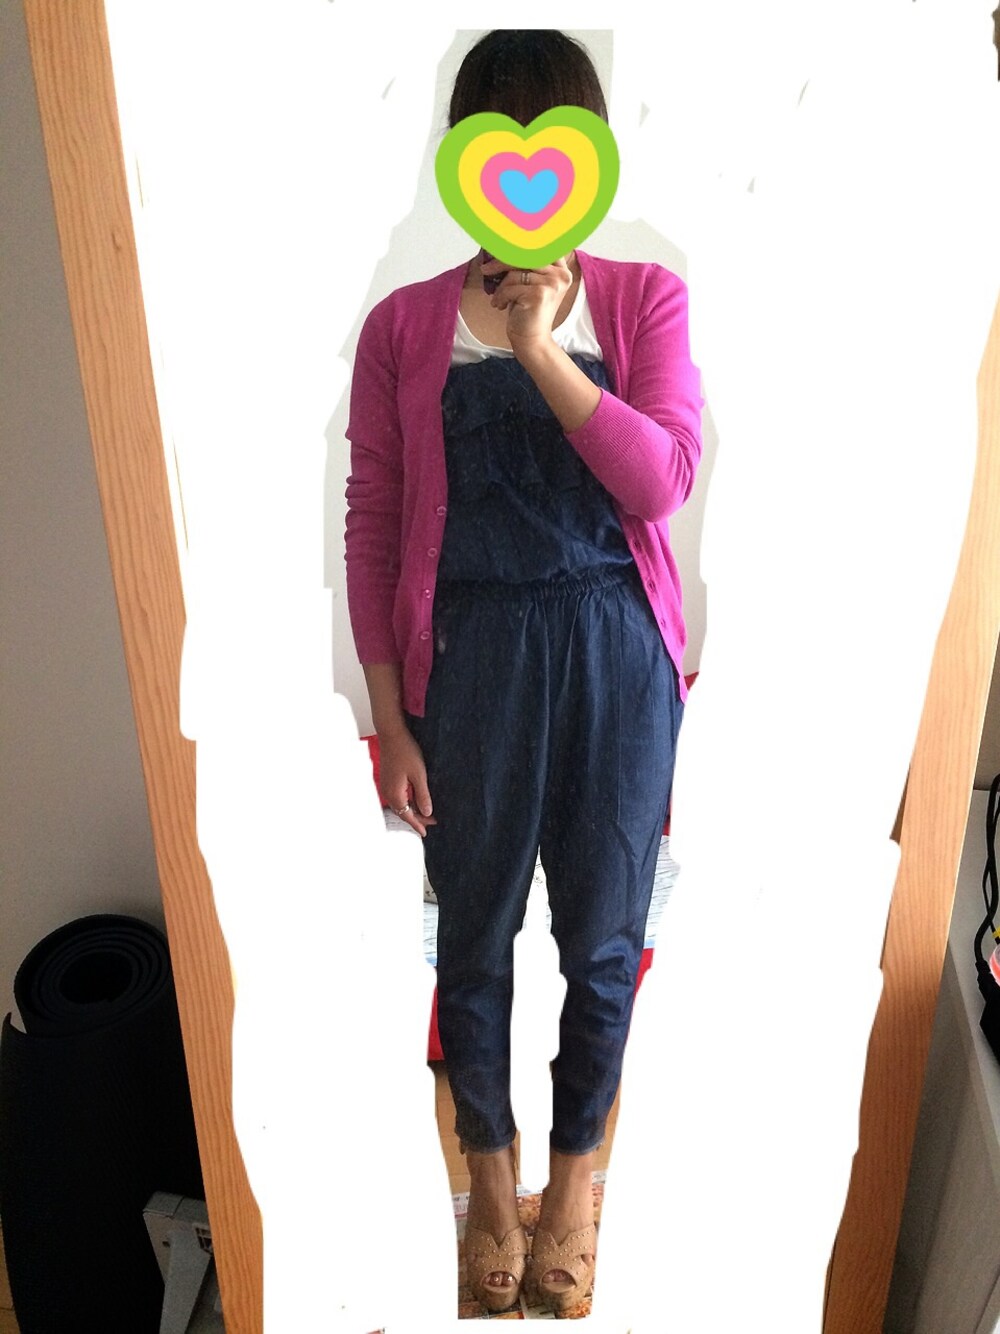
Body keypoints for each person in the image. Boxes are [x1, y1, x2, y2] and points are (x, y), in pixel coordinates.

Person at [344, 29, 702, 1315]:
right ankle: (491, 1187)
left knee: (604, 942)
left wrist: (544, 348)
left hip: (617, 660)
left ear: (589, 160)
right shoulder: (401, 327)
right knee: (474, 937)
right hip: (471, 666)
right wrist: (389, 716)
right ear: (463, 163)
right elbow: (375, 515)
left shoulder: (641, 299)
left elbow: (661, 480)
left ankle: (574, 1187)